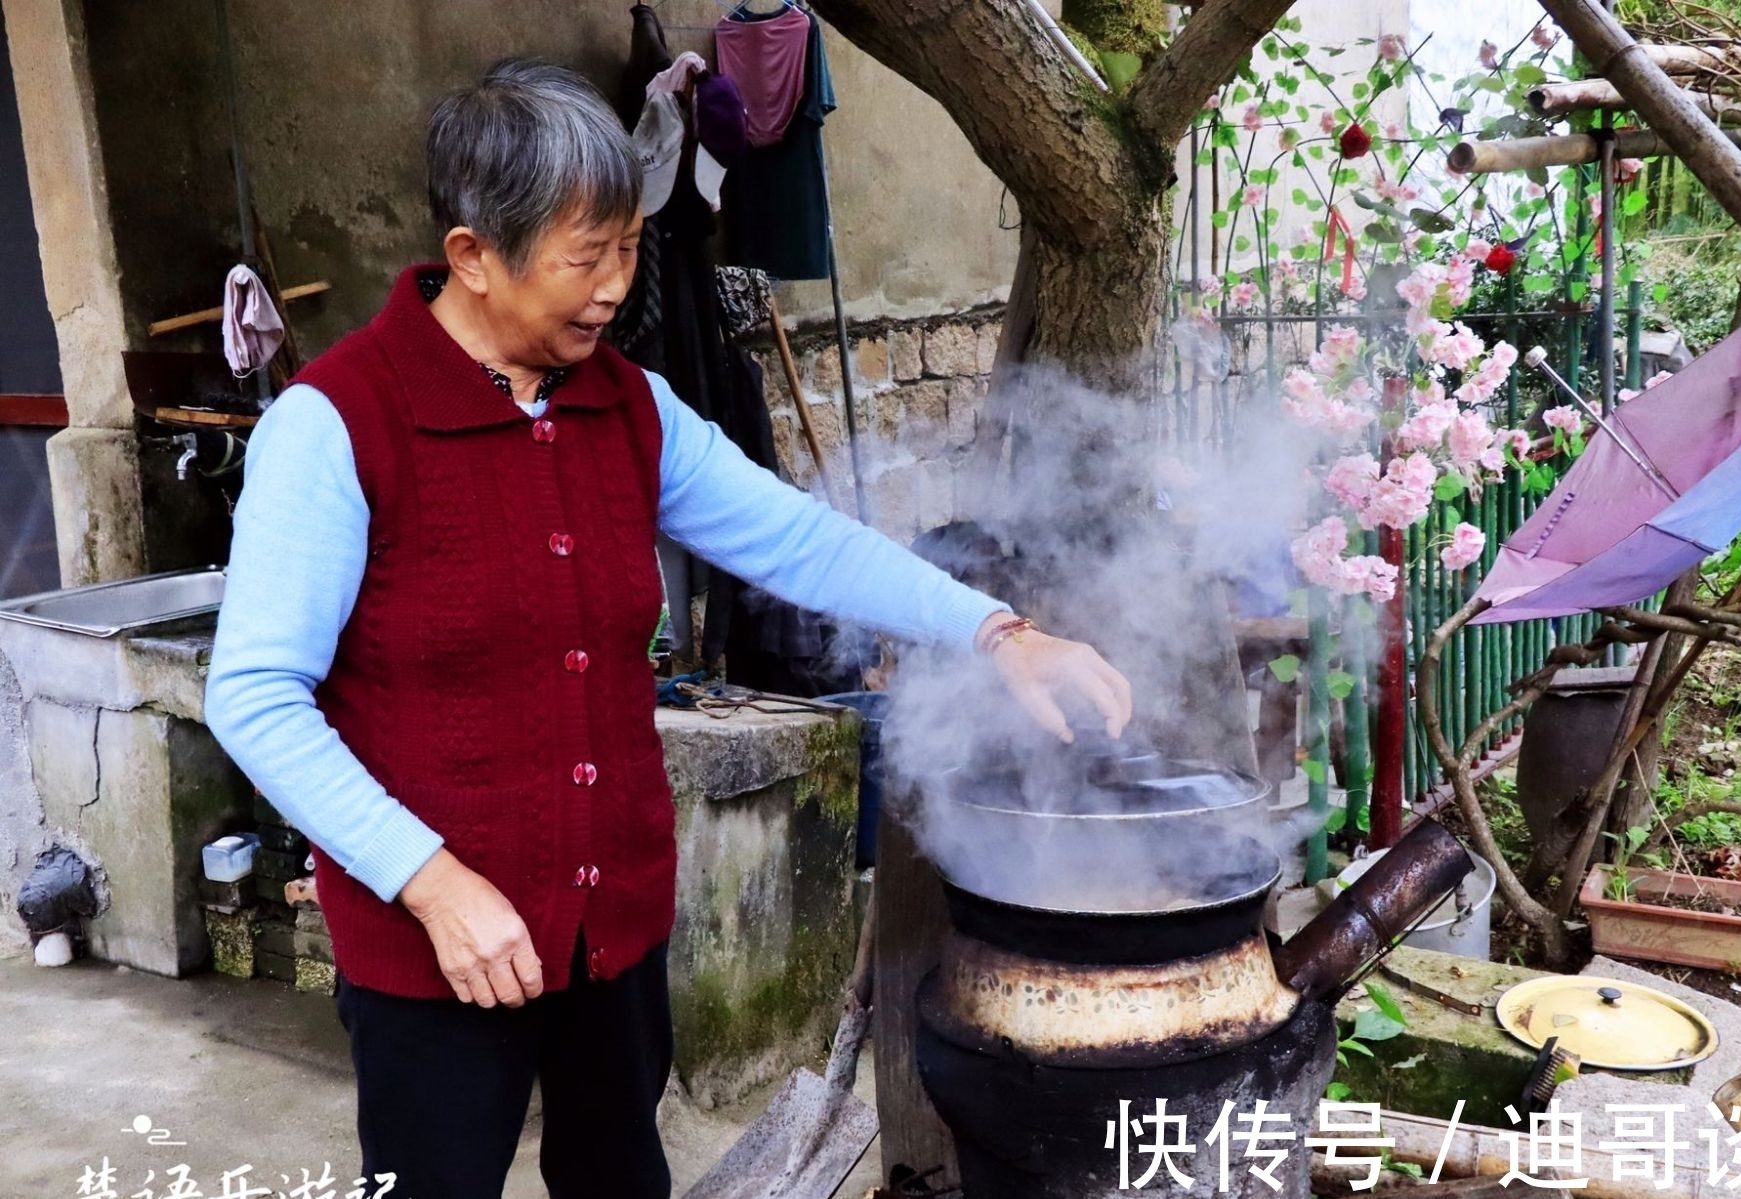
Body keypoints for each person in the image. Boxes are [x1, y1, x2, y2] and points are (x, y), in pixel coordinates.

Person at [203, 58, 1132, 1199]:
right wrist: (431, 881)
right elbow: (253, 694)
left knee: (617, 1168)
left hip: (610, 923)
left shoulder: (626, 406)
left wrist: (994, 630)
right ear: (472, 258)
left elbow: (797, 538)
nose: (612, 286)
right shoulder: (338, 424)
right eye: (581, 257)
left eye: (628, 247)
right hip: (436, 944)